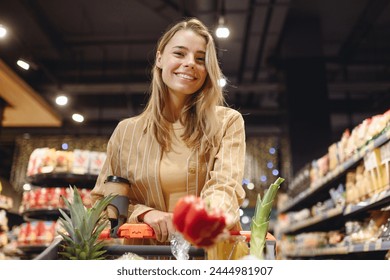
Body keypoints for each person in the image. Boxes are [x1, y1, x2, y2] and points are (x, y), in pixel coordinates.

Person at [91, 18, 247, 258]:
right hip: (144, 261)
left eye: (199, 59)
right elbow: (103, 204)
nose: (189, 64)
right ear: (160, 58)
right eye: (180, 53)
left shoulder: (227, 122)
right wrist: (145, 214)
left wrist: (195, 220)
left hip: (209, 258)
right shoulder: (126, 132)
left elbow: (225, 189)